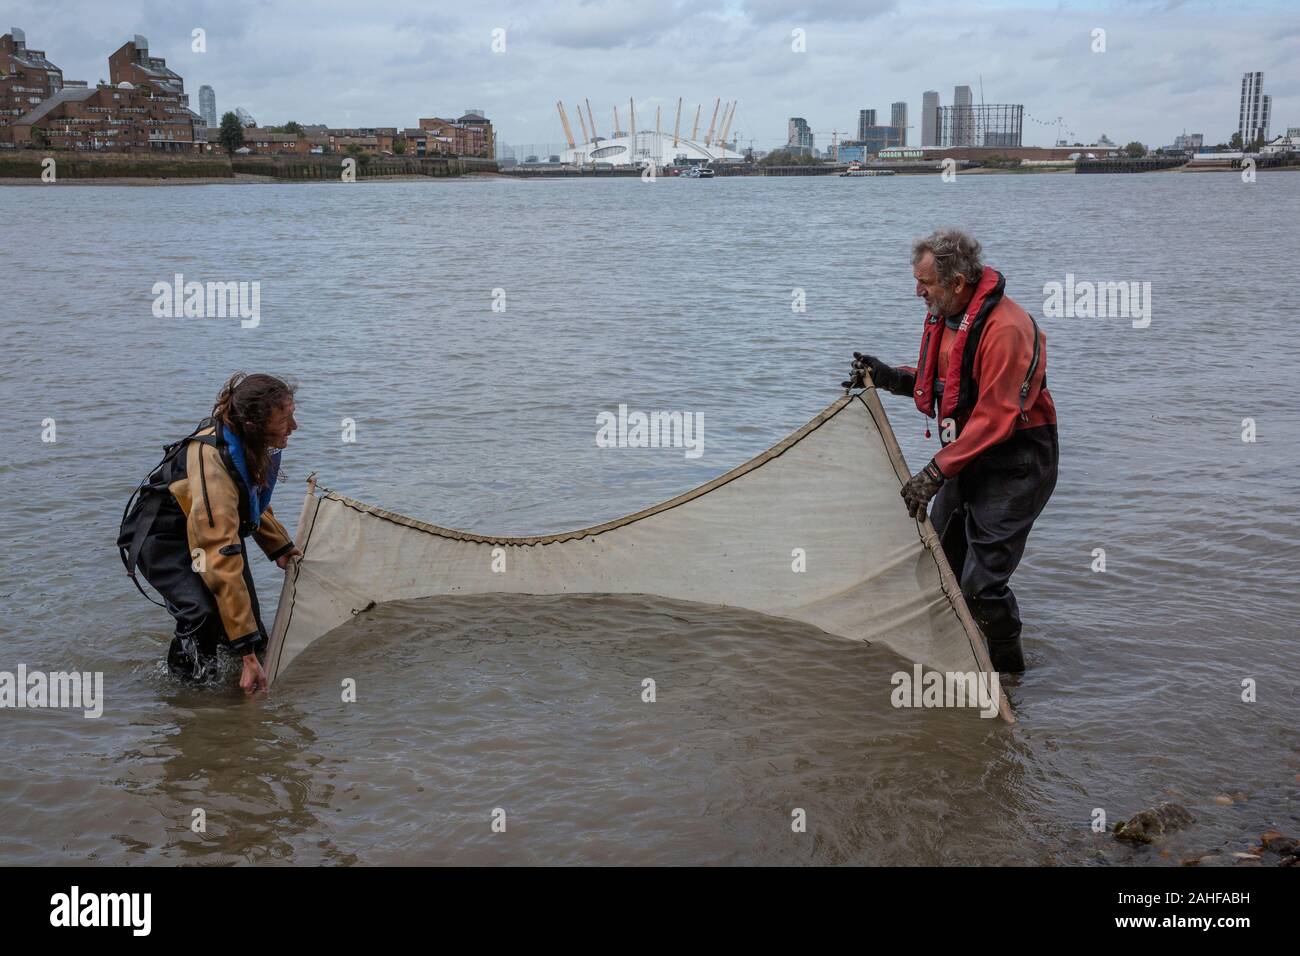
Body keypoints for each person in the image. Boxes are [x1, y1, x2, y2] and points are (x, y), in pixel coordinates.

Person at [847, 230, 1057, 672]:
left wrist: (933, 473)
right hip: (964, 458)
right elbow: (941, 384)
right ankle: (957, 660)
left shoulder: (1007, 329)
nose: (917, 291)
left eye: (926, 283)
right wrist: (887, 376)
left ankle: (1010, 676)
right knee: (938, 566)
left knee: (981, 586)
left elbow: (995, 419)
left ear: (958, 282)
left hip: (1016, 463)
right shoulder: (947, 317)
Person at [118, 373, 301, 693]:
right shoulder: (212, 462)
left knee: (254, 637)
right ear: (255, 423)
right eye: (285, 419)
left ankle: (226, 706)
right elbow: (220, 555)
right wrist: (247, 658)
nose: (294, 426)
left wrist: (280, 547)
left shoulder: (252, 443)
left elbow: (252, 503)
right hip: (162, 538)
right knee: (201, 614)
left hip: (208, 529)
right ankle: (187, 695)